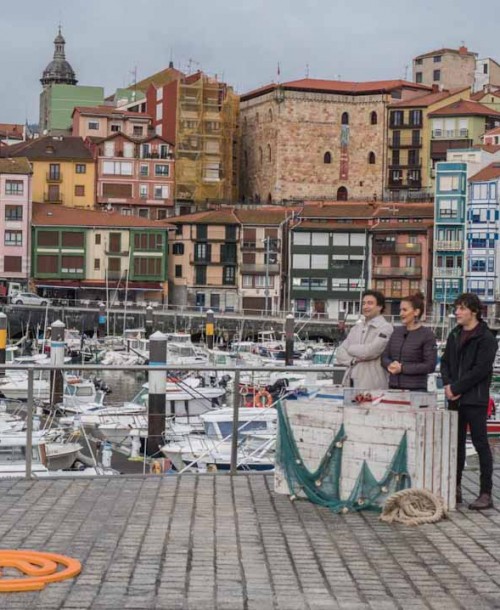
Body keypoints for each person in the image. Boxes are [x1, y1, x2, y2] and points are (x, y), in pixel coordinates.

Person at [440, 293, 497, 510]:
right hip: (454, 398)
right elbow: (445, 362)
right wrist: (447, 385)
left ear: (473, 311)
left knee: (481, 444)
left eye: (461, 308)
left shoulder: (486, 338)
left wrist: (456, 388)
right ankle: (454, 488)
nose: (457, 312)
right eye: (456, 308)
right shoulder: (455, 334)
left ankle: (485, 492)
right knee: (456, 445)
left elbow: (480, 370)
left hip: (475, 399)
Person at [335, 290, 394, 389]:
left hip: (372, 384)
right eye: (364, 303)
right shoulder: (356, 328)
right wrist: (352, 360)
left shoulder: (386, 328)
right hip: (350, 381)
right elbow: (340, 352)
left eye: (370, 303)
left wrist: (350, 349)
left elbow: (370, 352)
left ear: (380, 307)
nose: (365, 307)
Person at [381, 292, 437, 391]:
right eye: (400, 310)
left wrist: (402, 368)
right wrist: (389, 365)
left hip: (415, 390)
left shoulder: (427, 335)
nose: (400, 313)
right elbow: (384, 357)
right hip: (393, 389)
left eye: (405, 310)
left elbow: (430, 365)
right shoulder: (396, 332)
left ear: (416, 312)